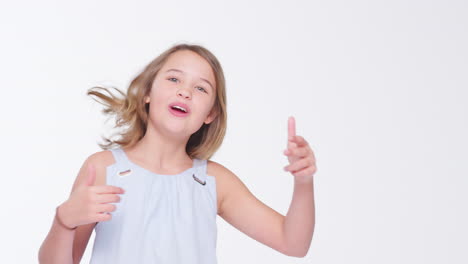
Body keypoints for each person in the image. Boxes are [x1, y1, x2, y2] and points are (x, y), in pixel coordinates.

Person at [38, 43, 317, 263]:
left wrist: (303, 183)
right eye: (174, 79)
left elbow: (292, 243)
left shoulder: (212, 181)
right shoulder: (102, 169)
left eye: (200, 88)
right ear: (147, 92)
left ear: (211, 113)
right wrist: (64, 220)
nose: (185, 92)